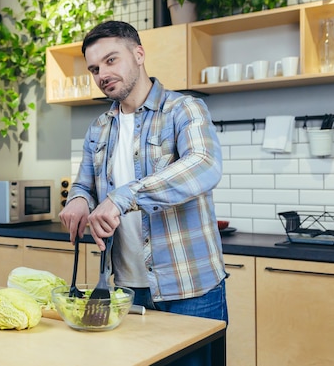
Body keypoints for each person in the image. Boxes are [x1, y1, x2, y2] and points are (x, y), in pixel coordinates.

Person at [59, 21, 227, 365]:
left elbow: (205, 164)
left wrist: (123, 197)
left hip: (189, 287)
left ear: (138, 55)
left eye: (110, 60)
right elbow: (83, 185)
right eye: (94, 68)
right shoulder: (99, 128)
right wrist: (77, 201)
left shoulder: (184, 109)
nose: (102, 74)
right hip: (124, 290)